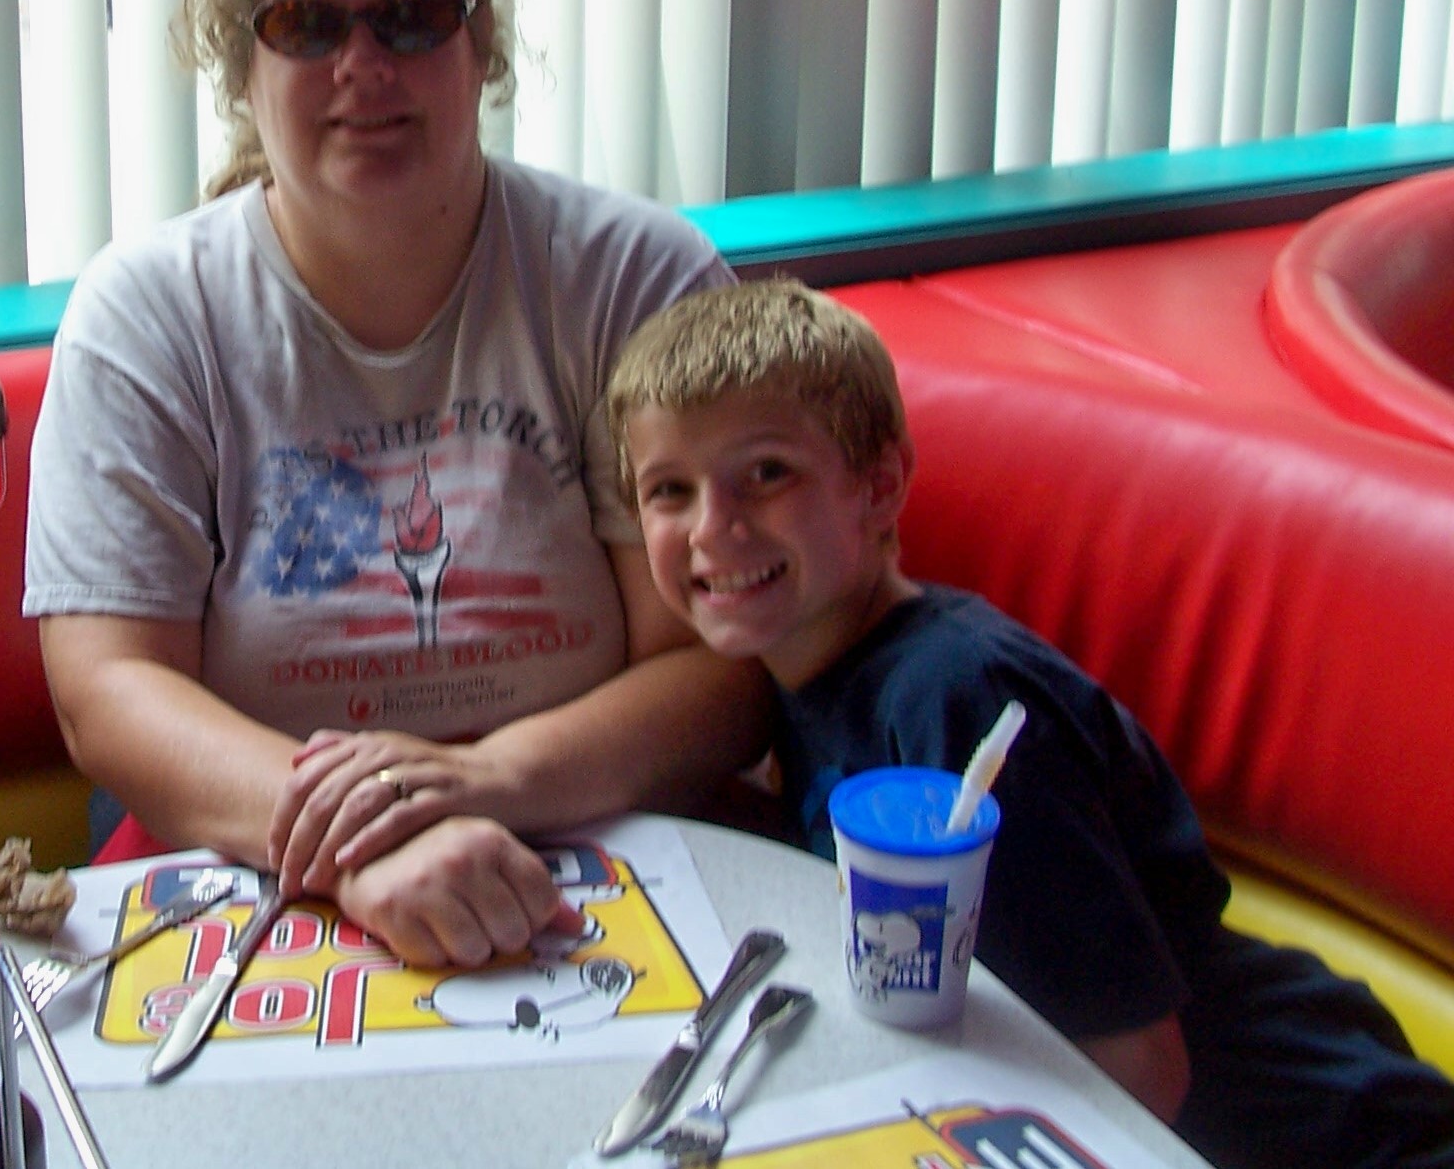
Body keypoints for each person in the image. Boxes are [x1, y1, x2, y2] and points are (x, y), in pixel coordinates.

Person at [23, 0, 771, 970]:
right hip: (262, 861)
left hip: (594, 842)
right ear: (243, 72)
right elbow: (111, 690)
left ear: (481, 51)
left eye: (412, 20)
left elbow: (720, 664)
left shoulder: (631, 279)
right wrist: (361, 848)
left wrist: (483, 779)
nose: (362, 63)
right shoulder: (146, 315)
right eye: (306, 25)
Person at [607, 277, 1454, 1168]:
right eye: (670, 491)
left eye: (767, 474)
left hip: (1325, 1135)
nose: (713, 527)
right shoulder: (796, 667)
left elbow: (1138, 1068)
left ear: (881, 486)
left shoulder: (954, 702)